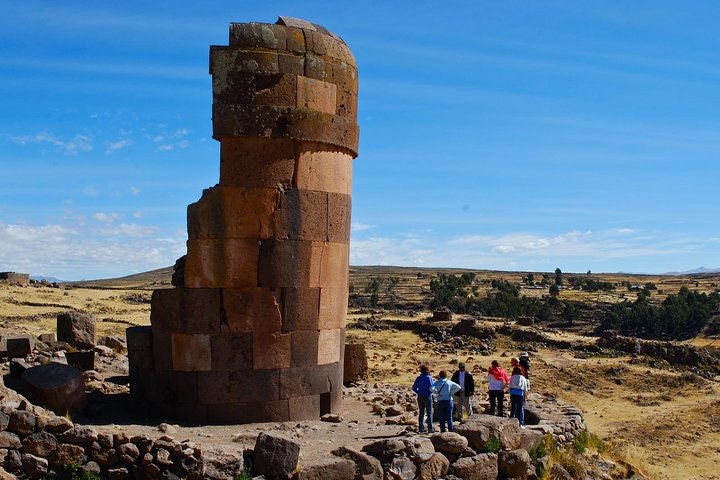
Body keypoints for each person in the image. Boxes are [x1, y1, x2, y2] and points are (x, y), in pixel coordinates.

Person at [411, 365, 435, 433]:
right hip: (427, 396)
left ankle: (421, 428)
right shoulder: (429, 378)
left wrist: (418, 392)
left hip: (420, 396)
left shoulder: (418, 378)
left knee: (421, 412)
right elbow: (432, 387)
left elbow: (413, 387)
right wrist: (429, 393)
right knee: (429, 412)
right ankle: (430, 428)